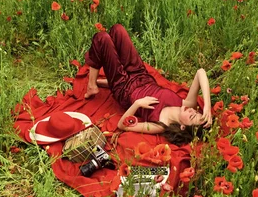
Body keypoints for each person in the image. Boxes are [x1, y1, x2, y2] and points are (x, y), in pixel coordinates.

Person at [84, 24, 212, 145]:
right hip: (140, 75)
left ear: (183, 127)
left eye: (191, 116)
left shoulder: (160, 125)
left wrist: (138, 104)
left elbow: (122, 125)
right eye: (196, 112)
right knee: (118, 30)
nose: (191, 110)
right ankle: (108, 82)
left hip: (124, 88)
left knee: (102, 38)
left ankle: (92, 86)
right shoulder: (188, 104)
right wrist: (207, 106)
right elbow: (200, 73)